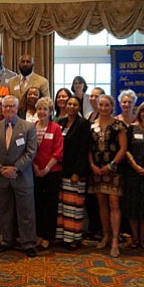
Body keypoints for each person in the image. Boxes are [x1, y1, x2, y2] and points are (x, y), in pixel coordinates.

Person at [0, 95, 38, 257]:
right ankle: (6, 240)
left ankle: (28, 242)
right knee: (5, 211)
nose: (8, 109)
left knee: (26, 211)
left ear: (17, 108)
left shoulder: (28, 127)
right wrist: (0, 169)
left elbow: (31, 152)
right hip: (1, 177)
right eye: (5, 106)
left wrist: (15, 168)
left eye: (11, 106)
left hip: (22, 177)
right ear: (1, 108)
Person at [89, 94, 128, 257]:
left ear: (112, 107)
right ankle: (105, 235)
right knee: (102, 204)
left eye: (107, 105)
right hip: (96, 170)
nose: (103, 108)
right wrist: (91, 165)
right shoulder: (92, 126)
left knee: (114, 204)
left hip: (113, 171)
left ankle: (114, 240)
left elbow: (123, 148)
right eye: (101, 105)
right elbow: (88, 147)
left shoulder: (119, 125)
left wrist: (111, 166)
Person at [56, 96, 90, 250]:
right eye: (69, 104)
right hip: (62, 170)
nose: (71, 106)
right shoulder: (61, 123)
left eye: (74, 104)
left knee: (74, 206)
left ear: (79, 107)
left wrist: (77, 172)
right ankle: (64, 237)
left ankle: (74, 238)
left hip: (76, 172)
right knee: (64, 206)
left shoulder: (83, 124)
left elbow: (84, 150)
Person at [32, 97, 63, 251]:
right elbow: (29, 150)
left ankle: (48, 236)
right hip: (35, 172)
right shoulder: (32, 127)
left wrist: (46, 169)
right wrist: (36, 167)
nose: (42, 112)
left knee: (50, 205)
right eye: (39, 109)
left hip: (52, 173)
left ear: (51, 111)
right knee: (37, 204)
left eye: (45, 109)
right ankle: (38, 233)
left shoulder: (56, 128)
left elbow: (58, 152)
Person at [123, 100, 144, 250]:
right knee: (133, 207)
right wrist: (135, 166)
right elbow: (126, 149)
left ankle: (143, 238)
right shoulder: (132, 129)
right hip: (133, 172)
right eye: (143, 111)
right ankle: (135, 237)